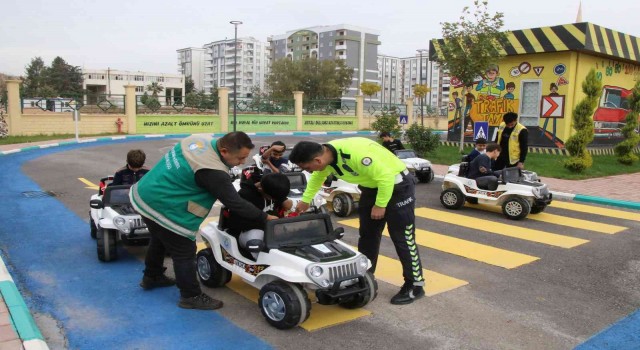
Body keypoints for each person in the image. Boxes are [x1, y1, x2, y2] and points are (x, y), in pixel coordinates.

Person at [130, 132, 279, 310]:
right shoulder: (213, 171)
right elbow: (235, 203)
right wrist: (266, 217)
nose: (242, 162)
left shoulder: (199, 140)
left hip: (145, 194)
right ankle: (190, 296)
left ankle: (152, 276)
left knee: (160, 237)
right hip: (163, 206)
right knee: (184, 251)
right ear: (224, 151)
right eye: (240, 158)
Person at [289, 138, 425, 305]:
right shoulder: (326, 158)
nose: (308, 172)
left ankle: (415, 285)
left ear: (317, 160)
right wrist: (305, 200)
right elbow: (318, 177)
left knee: (403, 237)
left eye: (307, 168)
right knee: (368, 235)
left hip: (398, 186)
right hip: (371, 187)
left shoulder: (357, 155)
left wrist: (380, 205)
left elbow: (386, 178)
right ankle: (365, 277)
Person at [224, 172, 292, 258]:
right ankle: (263, 262)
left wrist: (285, 201)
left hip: (271, 229)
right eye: (271, 198)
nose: (274, 200)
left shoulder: (270, 188)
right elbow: (236, 224)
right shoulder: (245, 196)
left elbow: (277, 197)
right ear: (260, 189)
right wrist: (266, 221)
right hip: (247, 232)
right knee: (256, 237)